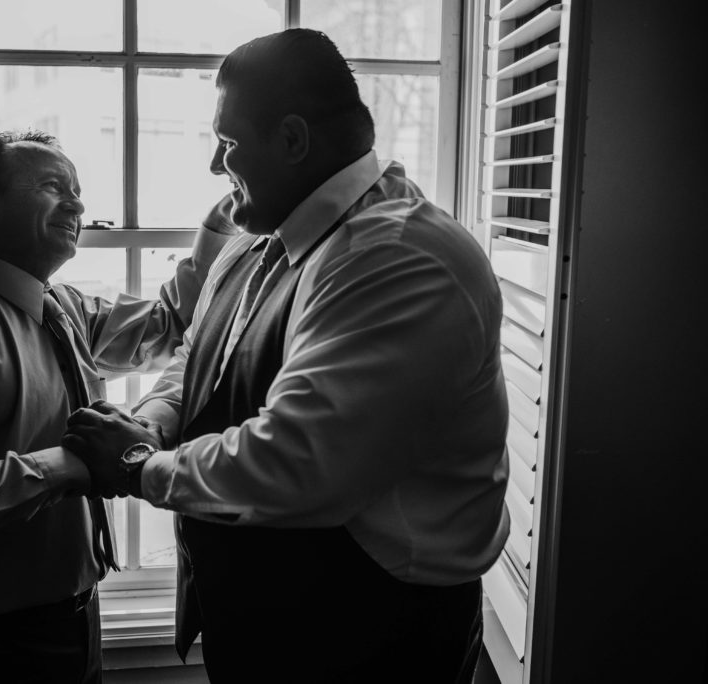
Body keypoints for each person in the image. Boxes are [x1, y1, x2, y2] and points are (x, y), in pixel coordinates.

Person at [62, 29, 510, 683]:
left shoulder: (400, 258)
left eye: (229, 143)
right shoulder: (255, 240)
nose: (217, 166)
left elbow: (299, 461)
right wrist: (154, 419)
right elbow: (199, 356)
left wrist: (137, 466)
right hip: (262, 626)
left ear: (294, 141)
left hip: (371, 643)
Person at [0, 129, 234, 683]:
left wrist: (217, 228)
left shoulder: (63, 308)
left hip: (76, 620)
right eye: (52, 187)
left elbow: (167, 326)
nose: (77, 204)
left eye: (78, 190)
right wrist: (72, 464)